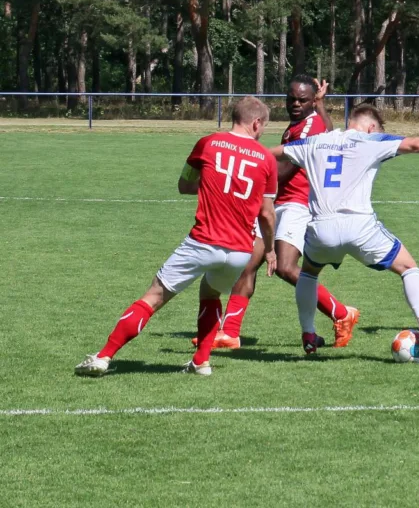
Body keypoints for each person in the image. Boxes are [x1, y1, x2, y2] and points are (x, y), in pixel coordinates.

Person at [75, 97, 278, 377]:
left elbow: (184, 184)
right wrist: (270, 249)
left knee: (154, 296)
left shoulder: (207, 143)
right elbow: (267, 215)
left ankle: (103, 356)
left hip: (204, 240)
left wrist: (212, 187)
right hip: (240, 250)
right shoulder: (267, 158)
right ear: (256, 123)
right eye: (263, 126)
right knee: (211, 293)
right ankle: (201, 362)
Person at [273, 104, 419, 354]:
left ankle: (309, 334)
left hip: (322, 228)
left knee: (308, 273)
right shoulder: (371, 140)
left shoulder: (314, 142)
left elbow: (270, 154)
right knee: (409, 268)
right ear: (372, 127)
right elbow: (417, 144)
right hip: (360, 227)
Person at [199, 75, 360, 351]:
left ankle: (342, 313)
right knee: (248, 263)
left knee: (285, 267)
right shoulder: (305, 122)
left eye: (302, 100)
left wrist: (252, 184)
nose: (295, 104)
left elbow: (286, 170)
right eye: (291, 99)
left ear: (311, 100)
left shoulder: (308, 126)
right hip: (279, 203)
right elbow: (329, 129)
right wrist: (321, 105)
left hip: (298, 203)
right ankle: (230, 332)